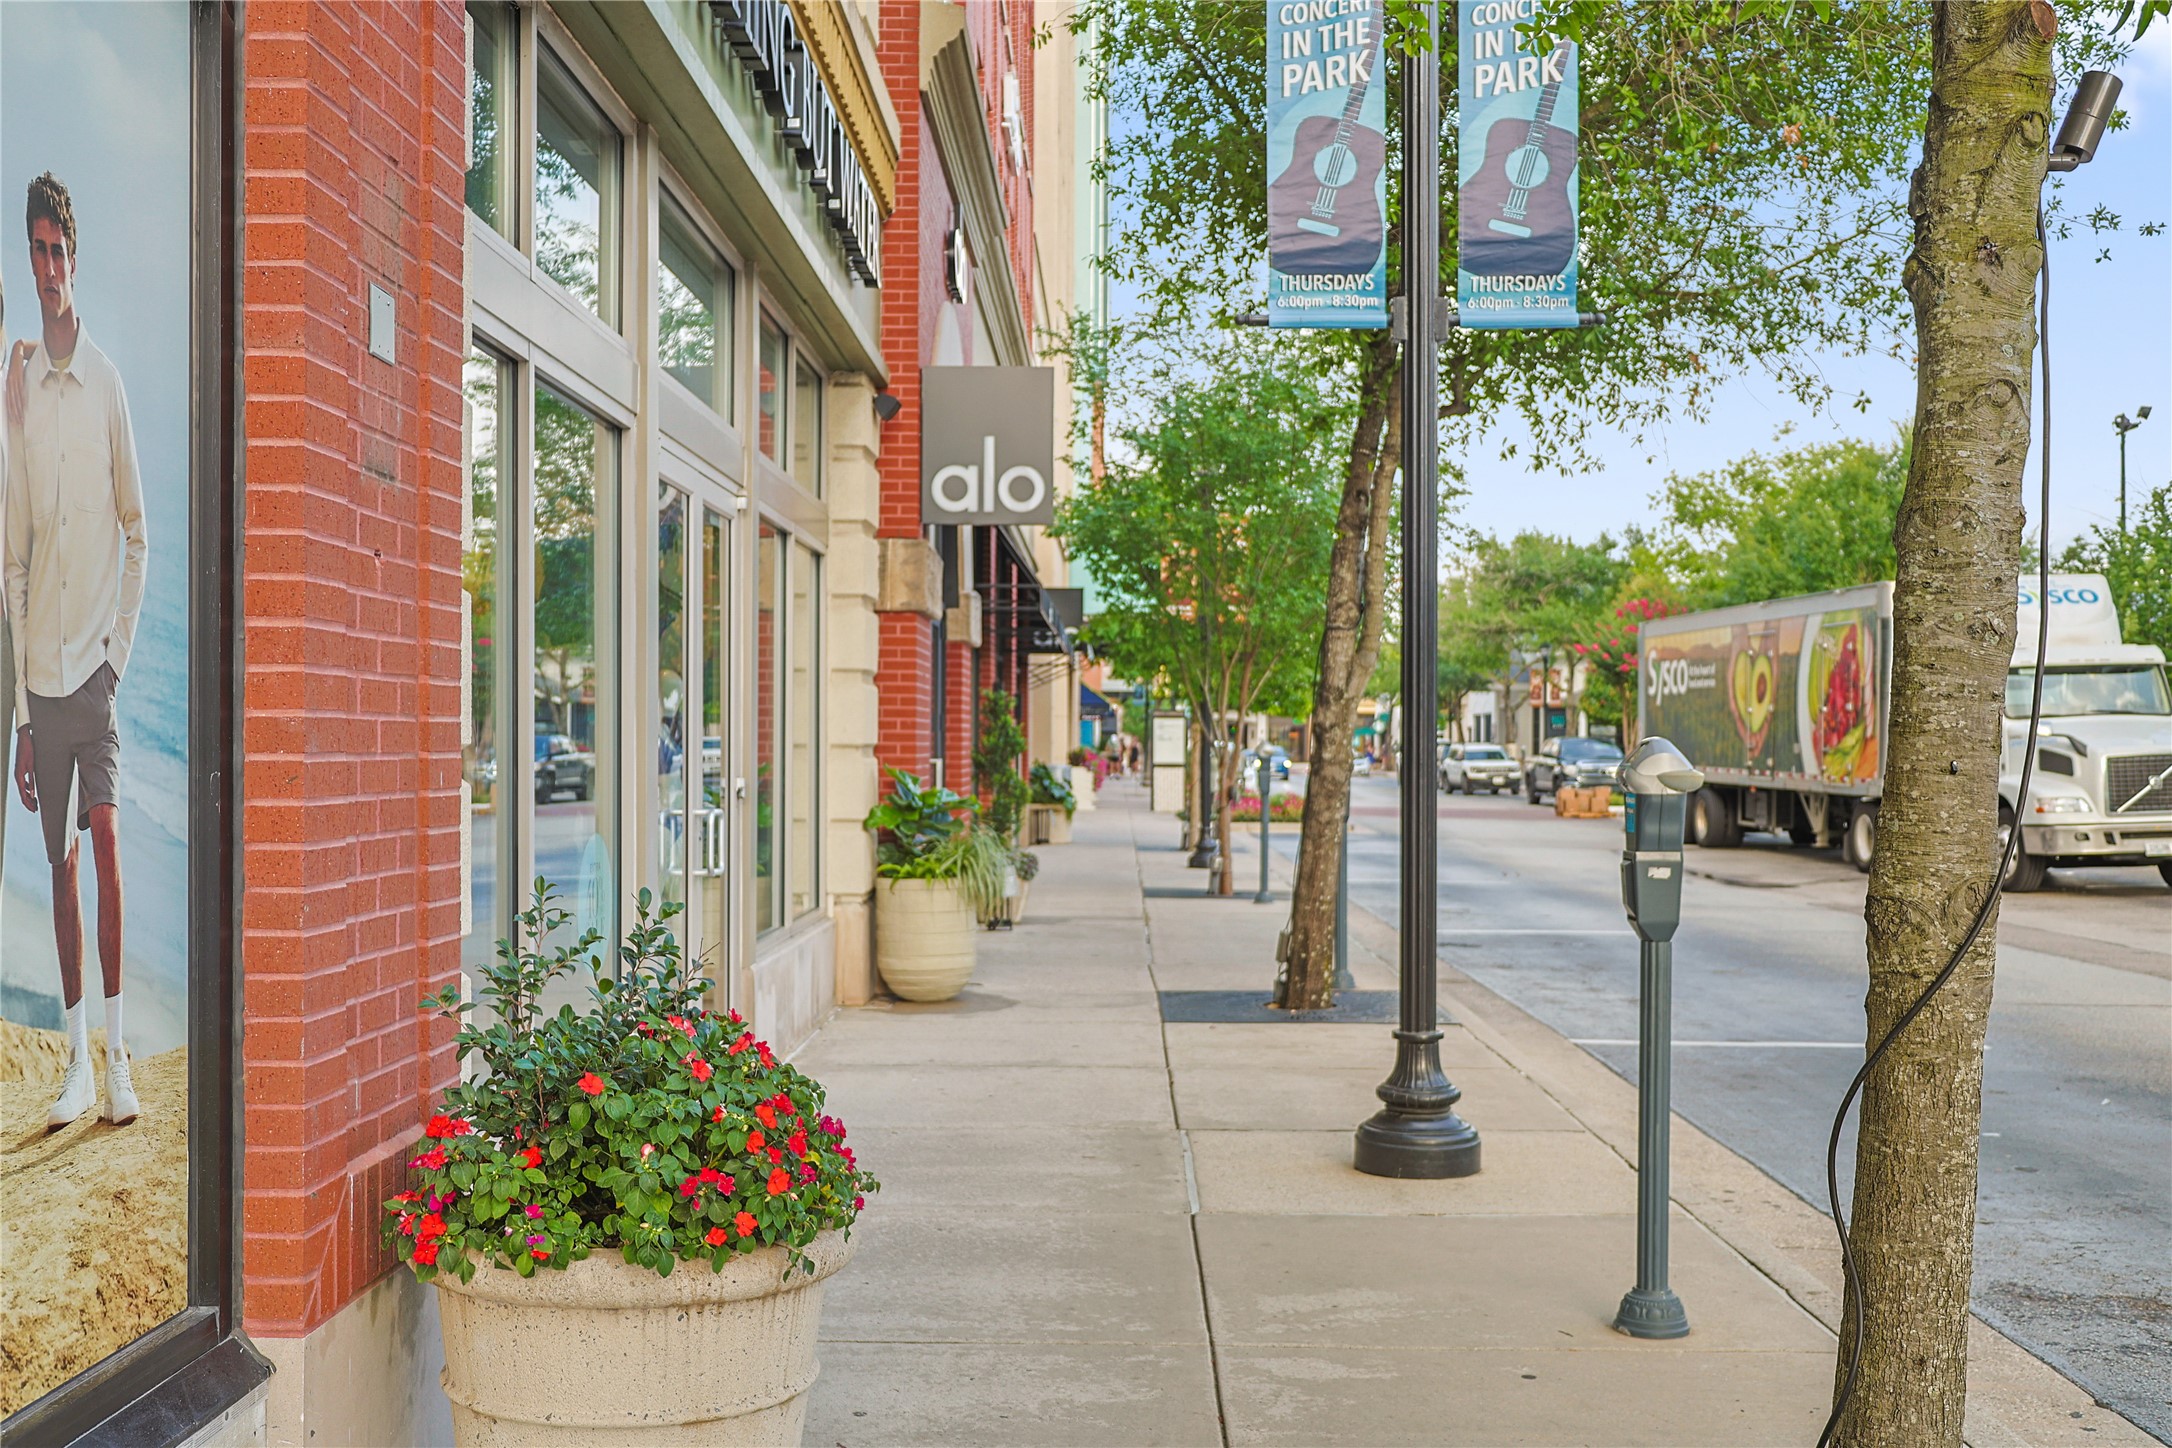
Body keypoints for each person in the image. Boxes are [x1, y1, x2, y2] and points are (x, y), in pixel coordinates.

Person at [6, 172, 149, 1131]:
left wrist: (116, 657)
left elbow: (139, 532)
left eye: (61, 250)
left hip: (93, 676)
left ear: (75, 258)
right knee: (58, 870)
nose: (51, 266)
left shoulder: (105, 386)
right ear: (29, 259)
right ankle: (75, 1069)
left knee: (104, 848)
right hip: (41, 683)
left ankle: (120, 1055)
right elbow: (13, 556)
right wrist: (22, 715)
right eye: (39, 250)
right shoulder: (19, 388)